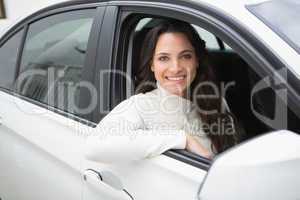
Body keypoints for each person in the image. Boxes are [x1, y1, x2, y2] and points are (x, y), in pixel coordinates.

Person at [85, 19, 239, 163]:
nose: (176, 68)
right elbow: (94, 146)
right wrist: (183, 139)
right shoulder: (141, 105)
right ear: (152, 64)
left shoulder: (216, 101)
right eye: (164, 58)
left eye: (185, 56)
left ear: (196, 60)